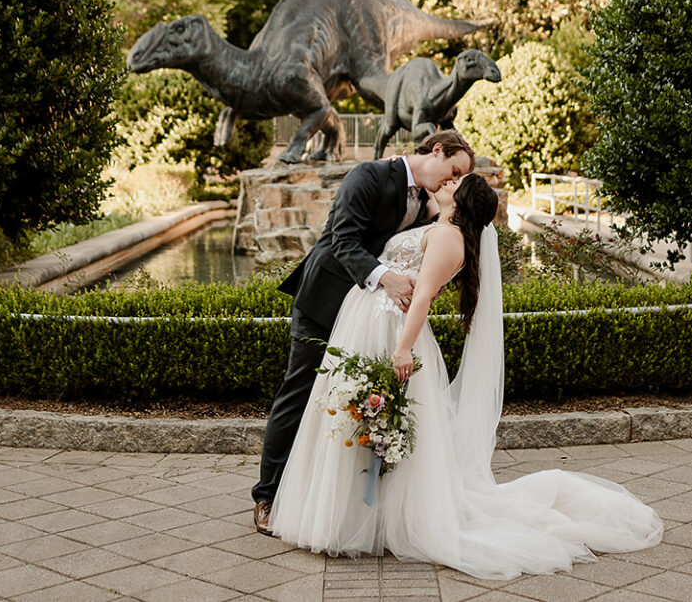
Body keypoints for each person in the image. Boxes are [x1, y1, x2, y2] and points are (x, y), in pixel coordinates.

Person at [268, 172, 663, 579]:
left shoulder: (448, 238)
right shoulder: (438, 228)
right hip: (367, 322)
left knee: (370, 421)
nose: (446, 184)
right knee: (356, 420)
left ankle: (359, 519)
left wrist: (401, 349)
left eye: (455, 184)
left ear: (461, 200)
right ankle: (354, 515)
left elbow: (421, 296)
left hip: (390, 332)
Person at [252, 130, 477, 534]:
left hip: (369, 320)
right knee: (300, 394)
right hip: (324, 303)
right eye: (453, 170)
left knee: (354, 406)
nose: (451, 181)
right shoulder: (368, 175)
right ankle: (267, 496)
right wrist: (387, 278)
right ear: (438, 150)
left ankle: (335, 503)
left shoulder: (428, 204)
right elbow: (343, 240)